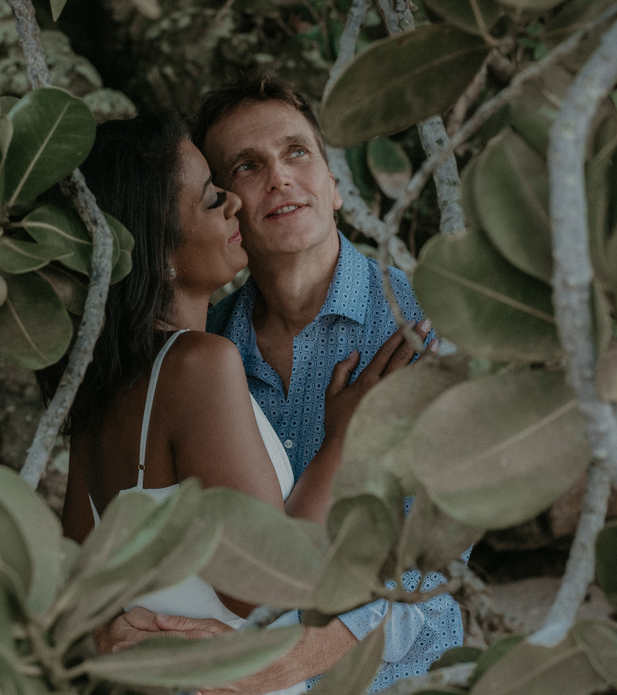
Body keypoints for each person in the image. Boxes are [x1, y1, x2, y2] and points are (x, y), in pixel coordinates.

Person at [103, 74, 464, 694]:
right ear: (227, 206)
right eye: (247, 166)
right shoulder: (201, 352)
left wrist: (286, 660)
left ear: (334, 185)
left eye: (298, 152)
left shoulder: (422, 334)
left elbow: (434, 586)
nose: (279, 177)